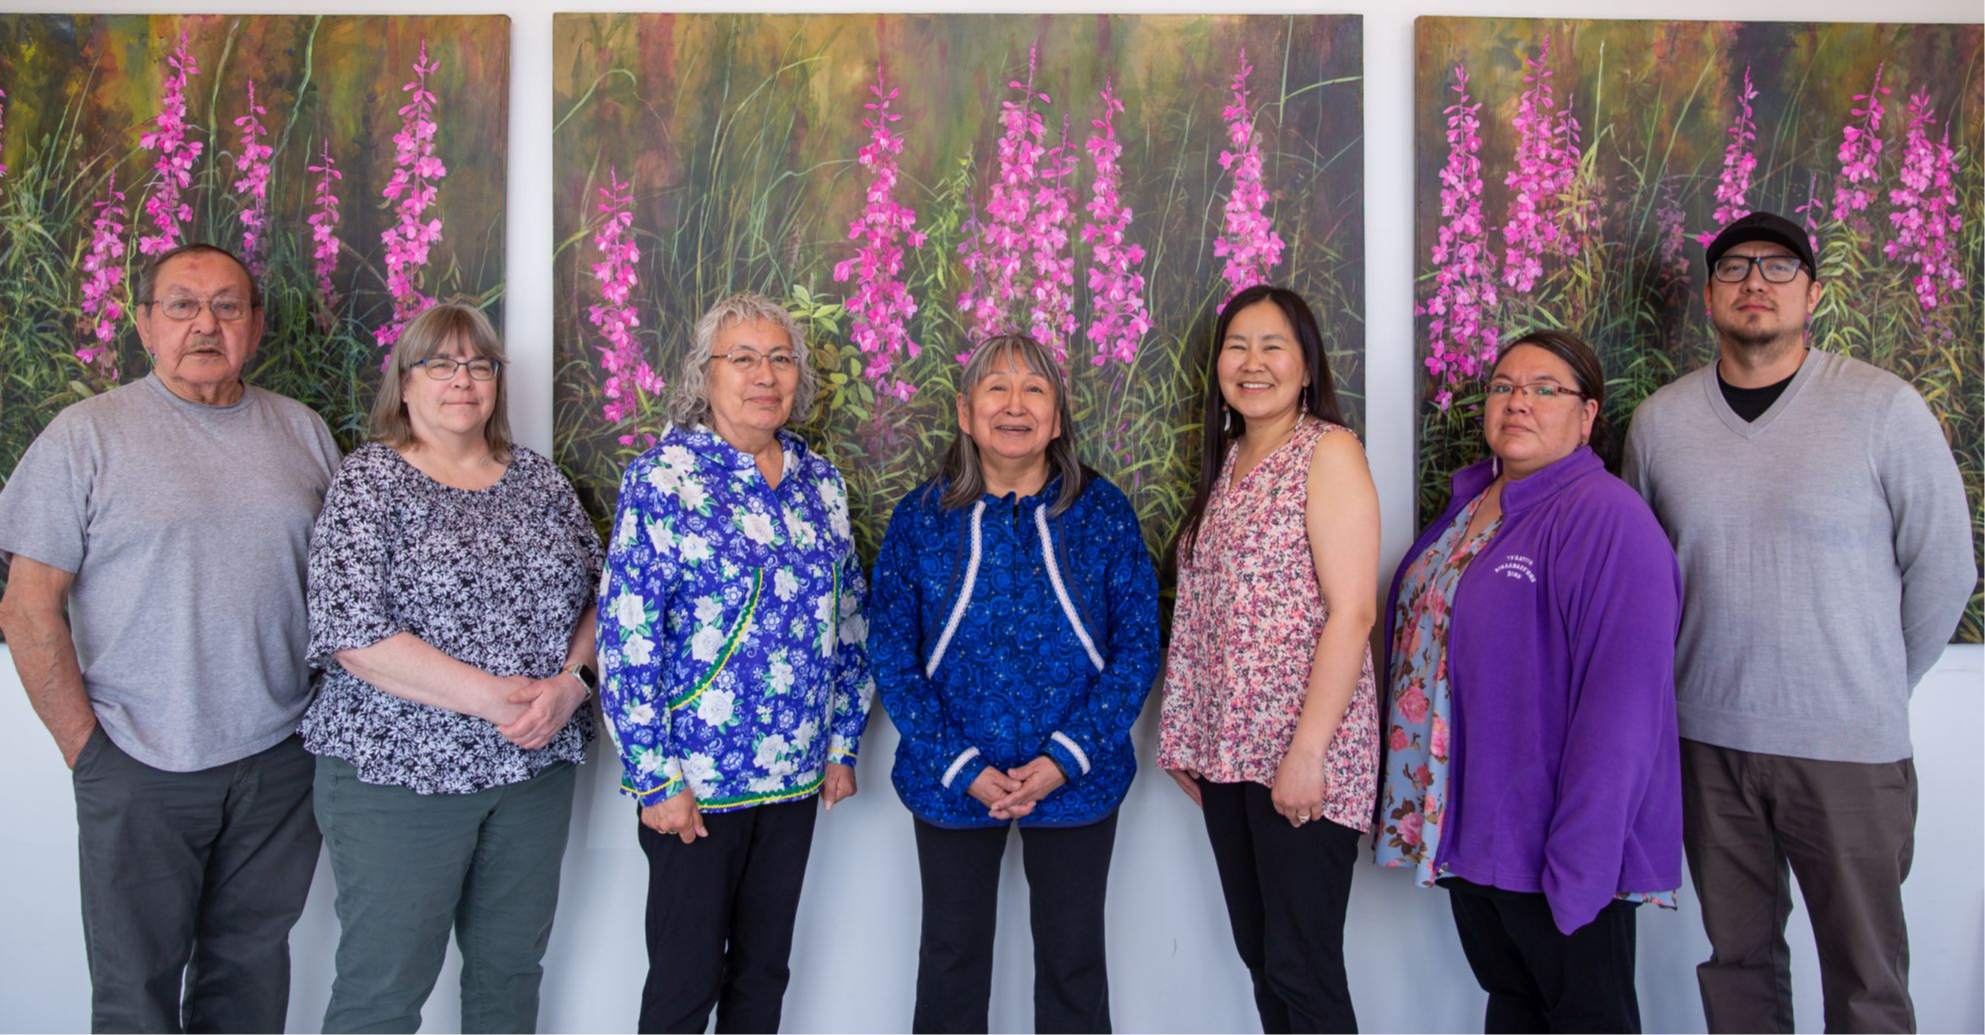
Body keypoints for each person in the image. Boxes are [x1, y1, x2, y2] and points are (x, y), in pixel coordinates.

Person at [1623, 211, 1974, 1035]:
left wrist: (1873, 680)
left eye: (1778, 267)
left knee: (1865, 976)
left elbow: (1945, 567)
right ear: (1708, 295)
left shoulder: (1881, 409)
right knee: (1736, 964)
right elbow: (1641, 584)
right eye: (1735, 267)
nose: (1755, 282)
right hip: (1707, 742)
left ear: (1812, 292)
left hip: (1848, 747)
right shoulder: (1660, 425)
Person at [0, 243, 340, 1033]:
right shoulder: (85, 436)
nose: (205, 323)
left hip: (279, 759)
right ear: (145, 323)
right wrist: (88, 752)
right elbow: (26, 606)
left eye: (227, 305)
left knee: (250, 978)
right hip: (138, 759)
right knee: (134, 995)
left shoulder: (303, 432)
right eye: (182, 305)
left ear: (254, 325)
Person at [301, 302, 602, 1034]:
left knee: (508, 976)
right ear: (404, 385)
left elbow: (603, 594)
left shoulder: (538, 481)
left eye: (478, 364)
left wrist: (572, 683)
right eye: (439, 363)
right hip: (399, 775)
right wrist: (497, 701)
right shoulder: (369, 482)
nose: (461, 379)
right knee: (384, 987)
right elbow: (352, 631)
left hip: (533, 773)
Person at [1377, 330, 1682, 1034]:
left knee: (1585, 1018)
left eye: (1545, 388)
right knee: (1513, 1008)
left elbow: (1624, 713)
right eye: (1503, 385)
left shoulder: (1608, 520)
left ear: (1586, 415)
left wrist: (1581, 863)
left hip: (1558, 843)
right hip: (1474, 831)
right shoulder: (1471, 504)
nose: (1518, 400)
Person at [596, 291, 874, 1035]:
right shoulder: (664, 478)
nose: (765, 374)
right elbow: (628, 638)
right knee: (685, 982)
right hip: (695, 785)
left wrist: (842, 741)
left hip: (793, 776)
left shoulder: (821, 484)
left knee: (763, 975)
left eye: (780, 358)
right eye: (743, 357)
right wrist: (655, 778)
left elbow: (850, 618)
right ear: (704, 375)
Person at [869, 334, 1160, 1035]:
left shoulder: (1101, 512)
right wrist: (959, 763)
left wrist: (1066, 757)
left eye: (1034, 389)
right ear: (966, 412)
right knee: (950, 960)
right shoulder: (920, 518)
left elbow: (1137, 646)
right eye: (995, 388)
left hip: (1075, 781)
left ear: (1057, 418)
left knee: (1072, 965)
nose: (1014, 404)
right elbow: (890, 651)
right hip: (952, 776)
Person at [1156, 285, 1381, 1035]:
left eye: (1272, 345)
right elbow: (1210, 618)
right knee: (1263, 960)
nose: (1251, 363)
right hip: (1231, 759)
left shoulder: (1328, 451)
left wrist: (1307, 753)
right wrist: (1190, 740)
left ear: (1307, 364)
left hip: (1301, 758)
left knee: (1302, 967)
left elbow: (1352, 612)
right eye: (1236, 346)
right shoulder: (1228, 467)